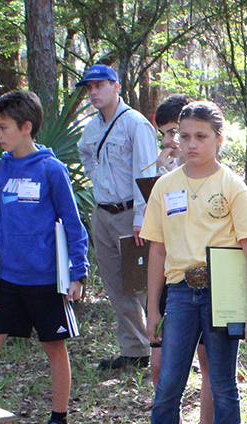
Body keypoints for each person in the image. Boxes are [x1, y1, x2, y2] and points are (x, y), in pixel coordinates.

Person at [139, 101, 247, 424]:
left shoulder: (232, 186)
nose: (191, 144)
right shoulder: (165, 188)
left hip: (223, 294)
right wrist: (153, 308)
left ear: (219, 140)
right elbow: (157, 251)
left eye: (201, 136)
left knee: (224, 388)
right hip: (180, 294)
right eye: (184, 136)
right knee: (167, 387)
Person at [0, 90, 91, 424]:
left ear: (26, 127)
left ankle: (59, 422)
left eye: (3, 127)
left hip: (46, 281)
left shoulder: (50, 169)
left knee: (53, 347)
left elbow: (73, 225)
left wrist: (77, 273)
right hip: (7, 282)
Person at [146, 92, 217, 424]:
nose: (176, 142)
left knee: (210, 362)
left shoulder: (215, 175)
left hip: (209, 281)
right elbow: (153, 233)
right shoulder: (163, 176)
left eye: (182, 132)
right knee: (162, 365)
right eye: (169, 134)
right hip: (170, 279)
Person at [76, 64, 159, 371]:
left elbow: (146, 172)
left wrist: (142, 217)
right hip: (103, 213)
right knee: (116, 284)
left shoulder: (135, 124)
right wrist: (98, 180)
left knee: (144, 284)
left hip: (130, 215)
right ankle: (134, 349)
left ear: (115, 86)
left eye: (99, 86)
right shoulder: (93, 127)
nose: (94, 93)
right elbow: (85, 153)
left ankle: (163, 344)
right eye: (89, 88)